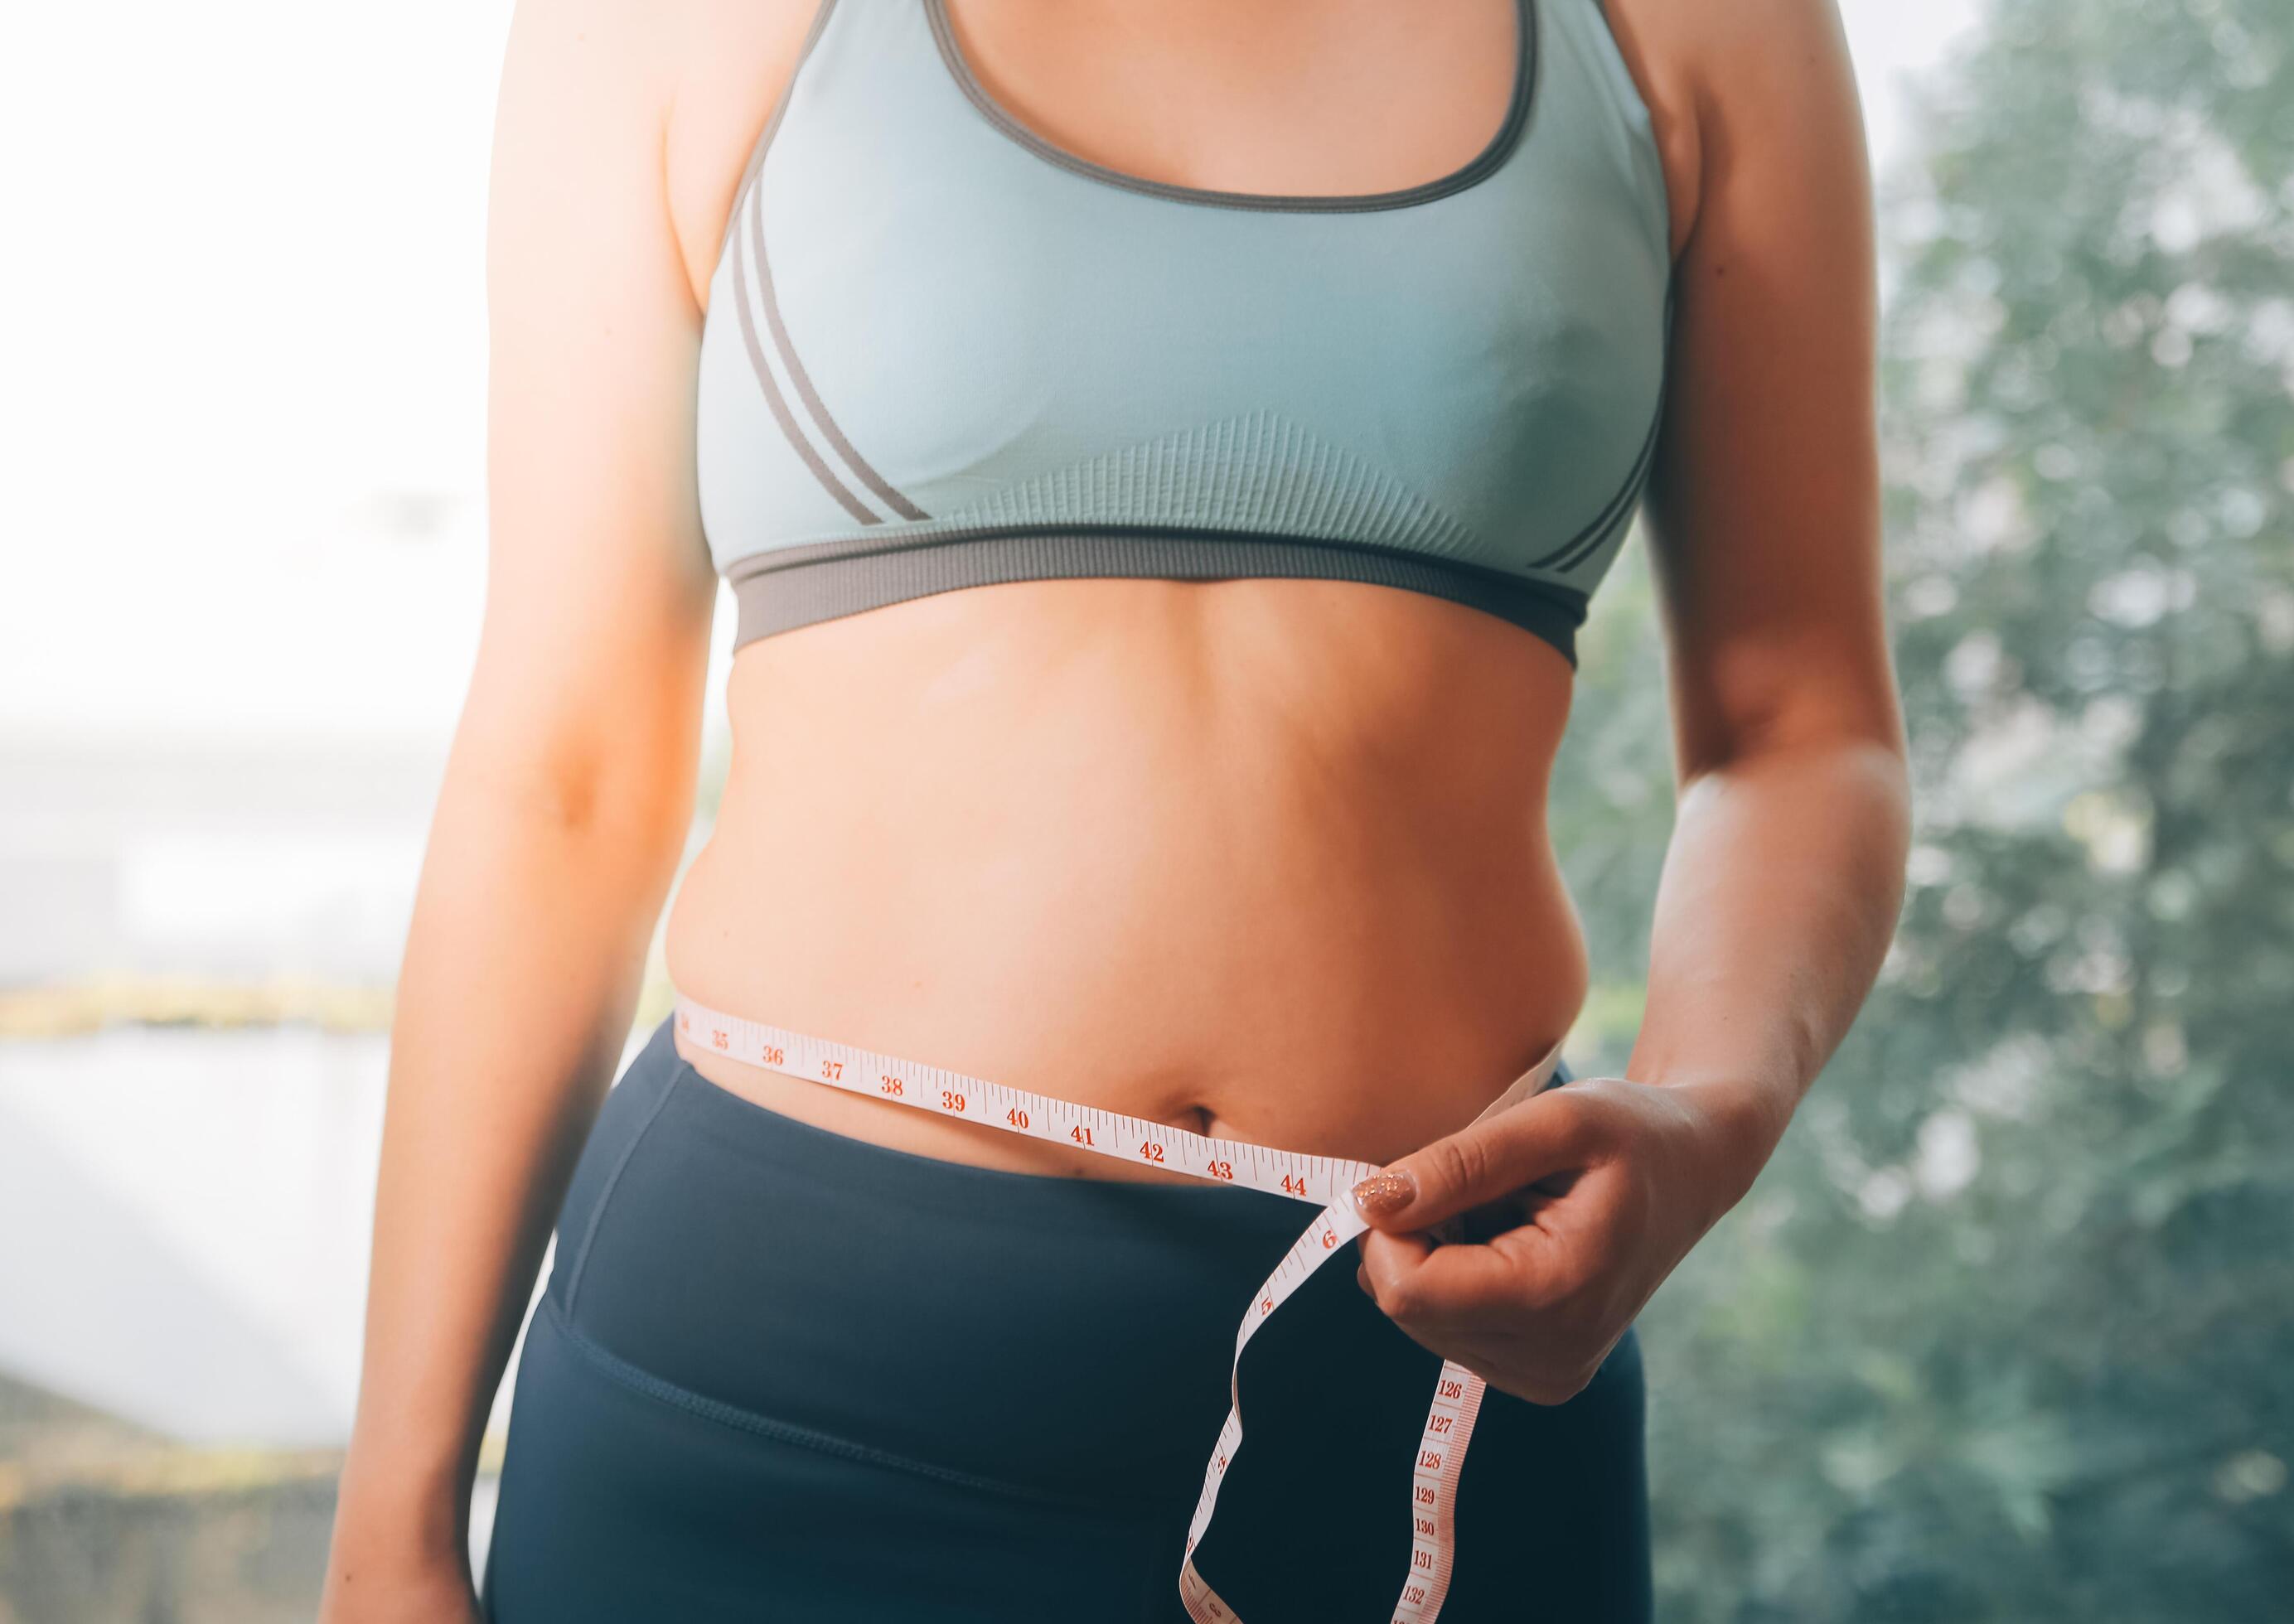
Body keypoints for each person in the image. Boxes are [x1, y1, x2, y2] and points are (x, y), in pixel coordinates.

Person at [319, 0, 1905, 1618]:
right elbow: (564, 777)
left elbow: (1804, 725)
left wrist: (1710, 1116)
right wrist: (392, 1521)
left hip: (1437, 1361)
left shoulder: (1703, 27)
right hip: (768, 1383)